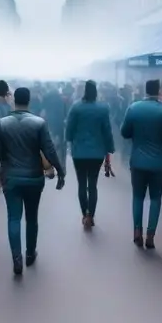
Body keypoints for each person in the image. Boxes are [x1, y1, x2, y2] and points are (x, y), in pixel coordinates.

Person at [0, 87, 65, 276]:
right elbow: (49, 150)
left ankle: (16, 258)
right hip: (33, 178)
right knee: (32, 217)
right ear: (29, 100)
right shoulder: (39, 123)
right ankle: (30, 253)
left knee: (13, 218)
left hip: (11, 179)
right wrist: (60, 171)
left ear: (14, 101)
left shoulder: (1, 124)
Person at [120, 79, 162, 249]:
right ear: (159, 91)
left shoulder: (133, 108)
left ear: (145, 90)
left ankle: (137, 231)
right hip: (159, 163)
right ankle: (151, 235)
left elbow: (125, 133)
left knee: (138, 196)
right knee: (156, 198)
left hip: (137, 161)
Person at [65, 80, 115, 229]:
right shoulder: (103, 108)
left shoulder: (76, 107)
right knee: (92, 185)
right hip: (97, 153)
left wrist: (70, 140)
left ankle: (84, 214)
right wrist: (110, 148)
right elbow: (107, 131)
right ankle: (90, 215)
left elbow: (69, 131)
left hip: (79, 152)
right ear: (96, 92)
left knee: (81, 184)